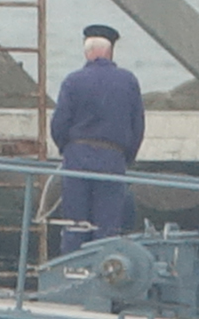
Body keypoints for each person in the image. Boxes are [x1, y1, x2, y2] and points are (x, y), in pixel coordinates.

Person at [49, 23, 144, 254]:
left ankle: (72, 273)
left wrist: (67, 149)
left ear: (87, 52)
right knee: (107, 227)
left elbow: (59, 124)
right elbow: (138, 126)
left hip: (77, 158)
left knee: (75, 225)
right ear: (110, 51)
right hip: (113, 159)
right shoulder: (128, 81)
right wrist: (125, 157)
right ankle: (104, 275)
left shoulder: (73, 81)